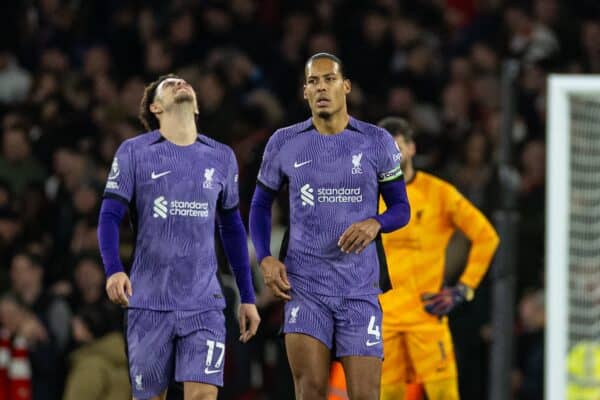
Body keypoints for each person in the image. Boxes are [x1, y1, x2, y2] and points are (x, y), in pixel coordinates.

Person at [249, 53, 411, 400]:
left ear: (346, 86)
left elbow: (401, 209)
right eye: (312, 81)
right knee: (311, 391)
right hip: (305, 286)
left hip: (359, 288)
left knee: (366, 395)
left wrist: (376, 222)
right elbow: (260, 205)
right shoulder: (284, 142)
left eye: (329, 79)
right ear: (305, 93)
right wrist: (265, 257)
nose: (321, 87)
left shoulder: (376, 141)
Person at [97, 74, 260, 400]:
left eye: (184, 82)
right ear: (156, 106)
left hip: (204, 302)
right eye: (169, 84)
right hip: (149, 301)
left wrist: (248, 296)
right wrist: (114, 268)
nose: (179, 83)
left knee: (202, 396)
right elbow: (109, 216)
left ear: (196, 105)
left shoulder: (221, 156)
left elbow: (232, 229)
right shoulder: (134, 152)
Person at [377, 117, 499, 400]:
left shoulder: (438, 193)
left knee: (444, 395)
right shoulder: (367, 196)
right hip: (384, 319)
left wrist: (464, 288)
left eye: (397, 148)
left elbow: (486, 236)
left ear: (411, 149)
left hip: (427, 316)